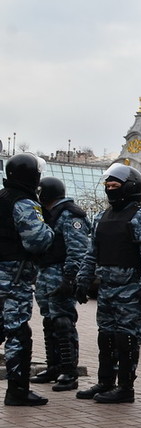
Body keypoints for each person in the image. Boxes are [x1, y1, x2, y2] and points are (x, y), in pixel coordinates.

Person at [74, 163, 141, 403]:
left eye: (115, 186)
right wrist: (83, 279)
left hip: (131, 289)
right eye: (108, 186)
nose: (110, 190)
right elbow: (92, 252)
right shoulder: (102, 217)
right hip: (106, 289)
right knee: (106, 337)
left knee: (126, 338)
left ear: (129, 187)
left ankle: (125, 388)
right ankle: (105, 382)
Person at [0, 153, 55, 406]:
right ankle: (18, 390)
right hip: (15, 277)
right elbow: (38, 240)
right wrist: (49, 227)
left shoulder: (1, 198)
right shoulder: (24, 203)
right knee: (18, 333)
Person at [30, 177, 90, 392]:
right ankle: (53, 366)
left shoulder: (70, 215)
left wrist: (70, 279)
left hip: (61, 274)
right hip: (46, 274)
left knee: (63, 322)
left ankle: (69, 371)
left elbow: (78, 249)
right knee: (50, 322)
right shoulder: (47, 214)